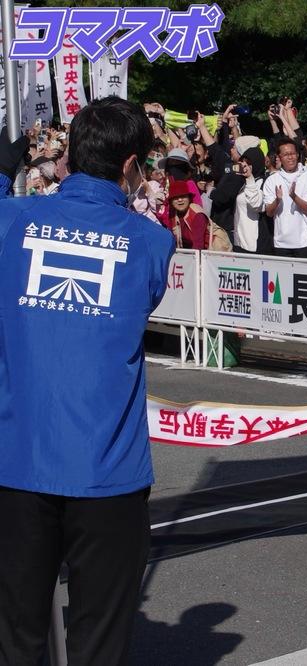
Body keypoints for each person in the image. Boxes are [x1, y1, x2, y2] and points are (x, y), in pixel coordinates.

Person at [0, 98, 175, 664]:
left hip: (16, 461)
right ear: (131, 165)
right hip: (108, 470)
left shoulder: (11, 220)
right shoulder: (151, 241)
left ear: (70, 151)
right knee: (100, 641)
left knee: (15, 636)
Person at [263, 137, 307, 257]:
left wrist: (294, 197)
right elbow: (269, 213)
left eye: (293, 153)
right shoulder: (272, 180)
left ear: (298, 155)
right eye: (286, 154)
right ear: (279, 157)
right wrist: (277, 200)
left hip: (305, 241)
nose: (290, 157)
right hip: (281, 243)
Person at [166, 180, 210, 250]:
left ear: (189, 198)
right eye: (176, 197)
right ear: (171, 201)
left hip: (210, 253)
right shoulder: (173, 214)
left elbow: (198, 247)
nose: (180, 200)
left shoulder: (197, 215)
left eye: (183, 196)